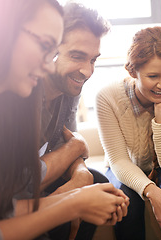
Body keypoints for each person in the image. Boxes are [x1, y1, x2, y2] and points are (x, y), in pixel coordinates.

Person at [0, 0, 128, 239]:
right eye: (46, 46)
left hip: (9, 196)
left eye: (93, 60)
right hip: (11, 196)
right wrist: (73, 202)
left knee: (94, 181)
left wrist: (79, 180)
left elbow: (1, 201)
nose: (49, 65)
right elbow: (2, 203)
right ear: (5, 30)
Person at [96, 26, 161, 239]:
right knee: (126, 196)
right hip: (125, 165)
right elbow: (119, 162)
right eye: (152, 76)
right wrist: (152, 191)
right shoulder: (107, 97)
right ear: (133, 72)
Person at [37, 3, 114, 239]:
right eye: (77, 57)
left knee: (97, 181)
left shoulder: (70, 88)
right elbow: (20, 183)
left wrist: (81, 173)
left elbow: (68, 141)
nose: (87, 72)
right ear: (49, 49)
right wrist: (77, 146)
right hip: (14, 189)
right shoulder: (25, 91)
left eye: (93, 60)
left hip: (38, 175)